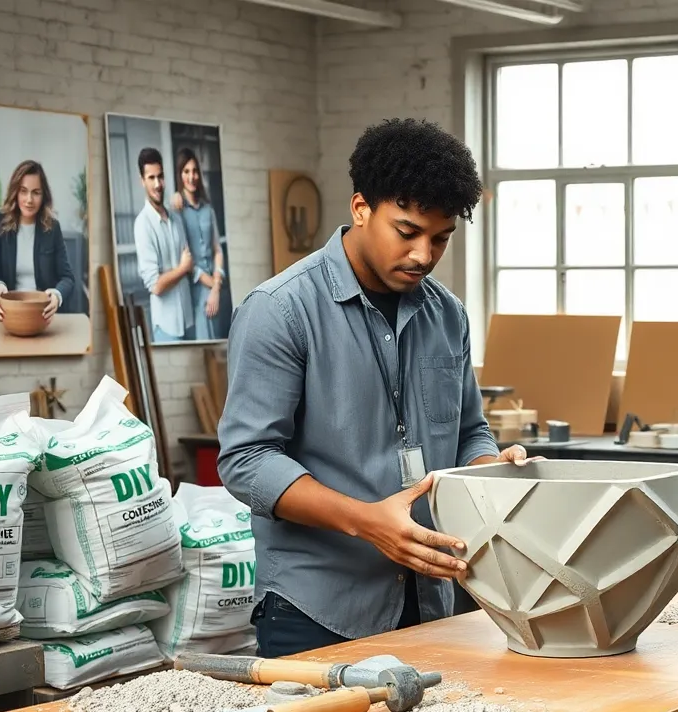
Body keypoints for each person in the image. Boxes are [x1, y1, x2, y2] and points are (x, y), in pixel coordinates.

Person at [217, 117, 537, 658]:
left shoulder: (448, 315)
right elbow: (246, 460)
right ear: (360, 208)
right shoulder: (281, 311)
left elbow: (468, 430)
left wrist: (488, 468)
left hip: (433, 601)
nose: (423, 256)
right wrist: (367, 523)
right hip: (317, 608)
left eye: (441, 239)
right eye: (407, 232)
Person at [0, 160, 75, 324]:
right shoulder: (0, 222)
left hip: (42, 317)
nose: (29, 199)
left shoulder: (53, 228)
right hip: (10, 315)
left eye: (36, 192)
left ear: (43, 195)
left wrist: (57, 295)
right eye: (23, 191)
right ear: (15, 192)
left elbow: (67, 278)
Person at [132, 147, 196, 343]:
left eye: (161, 176)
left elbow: (191, 260)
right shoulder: (142, 225)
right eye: (151, 178)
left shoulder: (176, 218)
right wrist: (182, 268)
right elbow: (156, 286)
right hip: (167, 328)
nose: (158, 184)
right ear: (142, 180)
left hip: (189, 320)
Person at [168, 148, 226, 340]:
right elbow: (186, 260)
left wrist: (216, 286)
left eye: (194, 171)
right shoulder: (177, 210)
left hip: (215, 286)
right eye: (186, 171)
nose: (191, 176)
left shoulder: (208, 210)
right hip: (197, 288)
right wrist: (213, 286)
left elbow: (217, 249)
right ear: (180, 175)